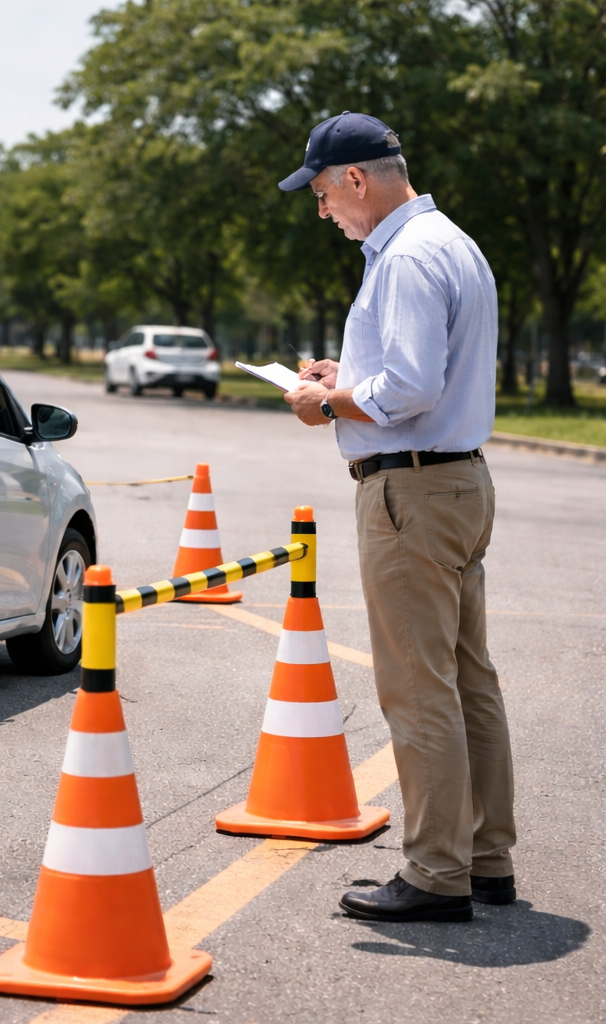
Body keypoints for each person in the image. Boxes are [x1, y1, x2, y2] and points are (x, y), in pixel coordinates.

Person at [277, 112, 515, 923]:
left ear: (355, 179)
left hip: (411, 491)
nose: (323, 214)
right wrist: (352, 374)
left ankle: (435, 873)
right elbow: (422, 375)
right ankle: (485, 857)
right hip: (458, 482)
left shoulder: (405, 258)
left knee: (418, 689)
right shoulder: (450, 241)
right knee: (468, 679)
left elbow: (408, 392)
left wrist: (323, 400)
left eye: (320, 195)